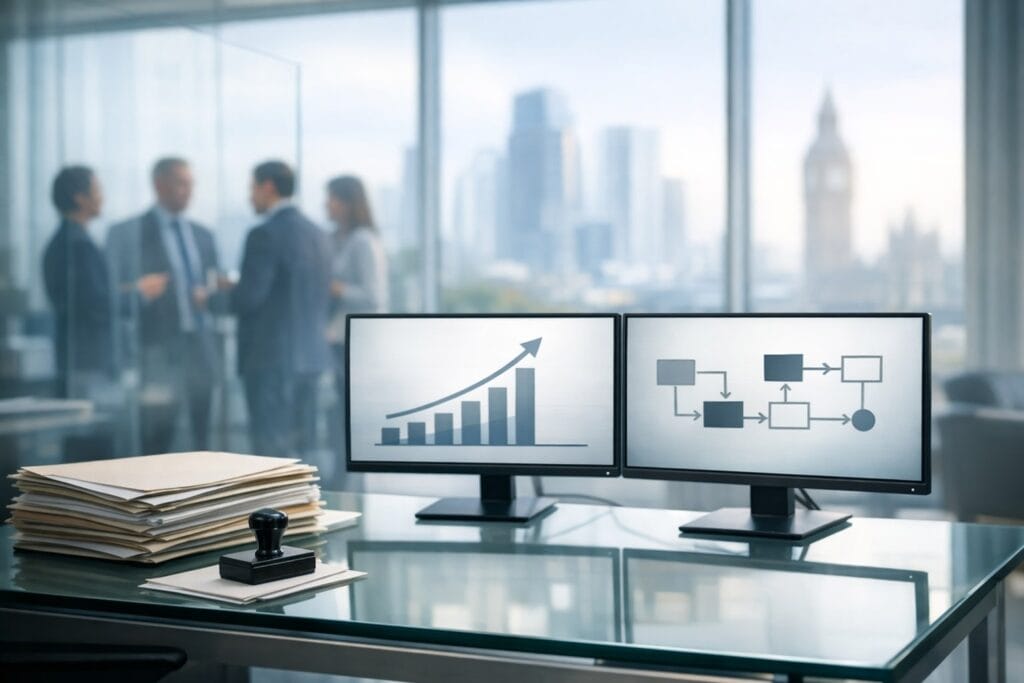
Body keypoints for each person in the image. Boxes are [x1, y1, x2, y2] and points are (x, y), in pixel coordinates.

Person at [106, 157, 222, 454]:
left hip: (200, 344)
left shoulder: (203, 235)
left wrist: (211, 294)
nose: (188, 191)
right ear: (159, 185)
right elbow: (109, 292)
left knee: (202, 435)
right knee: (158, 433)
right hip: (157, 348)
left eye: (190, 185)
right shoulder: (129, 233)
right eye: (181, 184)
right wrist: (139, 290)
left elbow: (215, 288)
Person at [225, 161, 332, 457]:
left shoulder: (264, 234)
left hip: (270, 360)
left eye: (252, 189)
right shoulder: (318, 234)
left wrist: (211, 298)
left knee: (270, 454)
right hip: (310, 359)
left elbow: (249, 297)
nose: (251, 197)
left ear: (268, 186)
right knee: (305, 450)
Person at [43, 166, 168, 401]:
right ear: (80, 199)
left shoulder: (68, 242)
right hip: (89, 362)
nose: (103, 198)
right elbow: (96, 304)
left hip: (83, 360)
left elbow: (89, 295)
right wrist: (140, 294)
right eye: (97, 191)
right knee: (94, 434)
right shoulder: (77, 246)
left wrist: (132, 289)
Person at [324, 175, 389, 408]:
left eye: (331, 199)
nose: (326, 204)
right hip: (338, 339)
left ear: (347, 204)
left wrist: (338, 289)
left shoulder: (363, 241)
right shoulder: (334, 239)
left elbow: (374, 297)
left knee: (354, 407)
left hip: (358, 342)